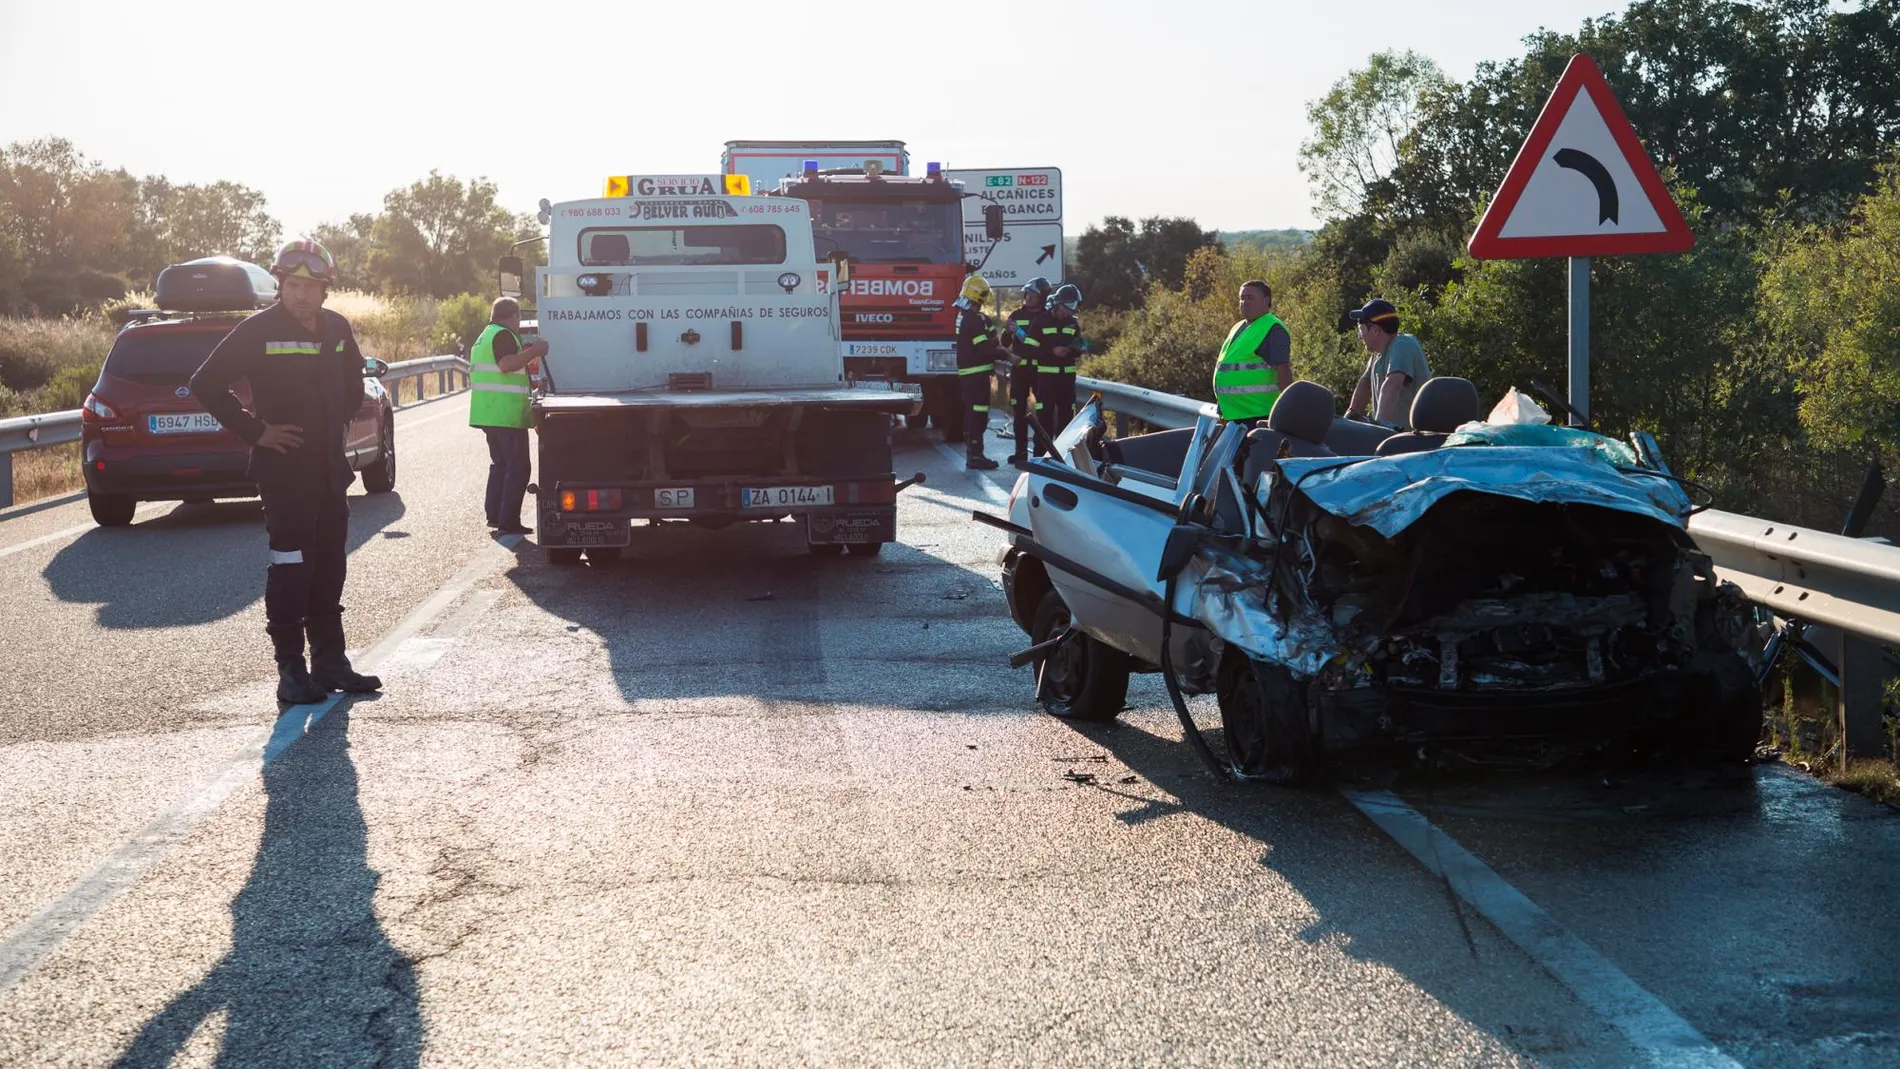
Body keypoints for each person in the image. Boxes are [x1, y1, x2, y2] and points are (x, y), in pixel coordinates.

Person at [189, 240, 381, 705]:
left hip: (331, 472)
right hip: (284, 474)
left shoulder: (337, 328)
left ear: (324, 289)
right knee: (292, 567)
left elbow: (355, 381)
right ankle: (291, 672)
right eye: (293, 285)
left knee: (329, 566)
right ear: (280, 284)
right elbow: (205, 384)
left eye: (310, 286)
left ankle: (330, 662)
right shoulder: (258, 330)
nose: (300, 295)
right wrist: (256, 431)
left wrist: (337, 418)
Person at [468, 297, 547, 534]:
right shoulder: (502, 335)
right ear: (512, 316)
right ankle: (508, 521)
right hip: (505, 414)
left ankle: (495, 515)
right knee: (518, 467)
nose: (519, 322)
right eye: (518, 317)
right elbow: (506, 364)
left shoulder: (484, 336)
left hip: (490, 413)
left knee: (500, 465)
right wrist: (535, 352)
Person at [1212, 279, 1292, 422]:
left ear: (1266, 300)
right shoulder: (1238, 327)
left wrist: (1288, 412)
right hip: (1233, 414)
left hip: (1258, 416)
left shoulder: (1273, 328)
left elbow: (1284, 371)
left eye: (1250, 298)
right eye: (1242, 298)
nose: (1245, 302)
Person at [1345, 298, 1432, 429]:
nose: (1359, 336)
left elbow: (1392, 385)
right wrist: (1348, 419)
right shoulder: (1378, 354)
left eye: (1361, 329)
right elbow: (1366, 385)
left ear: (1375, 330)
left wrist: (1379, 428)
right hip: (1394, 439)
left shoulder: (1403, 344)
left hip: (1414, 441)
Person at [953, 275, 1002, 470]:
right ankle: (975, 455)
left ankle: (974, 454)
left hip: (971, 374)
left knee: (973, 414)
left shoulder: (966, 316)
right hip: (976, 376)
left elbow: (991, 339)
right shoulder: (972, 319)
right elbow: (985, 347)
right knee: (978, 415)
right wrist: (1008, 356)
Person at [1001, 277, 1052, 463]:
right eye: (1027, 294)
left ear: (1042, 297)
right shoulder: (1016, 315)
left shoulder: (1047, 317)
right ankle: (1020, 452)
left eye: (1034, 294)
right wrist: (1008, 332)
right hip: (1020, 372)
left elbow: (1042, 343)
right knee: (1019, 412)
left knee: (1042, 413)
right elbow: (1005, 343)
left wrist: (1020, 333)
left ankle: (1040, 453)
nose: (1029, 297)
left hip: (1040, 372)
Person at [1028, 284, 1087, 436]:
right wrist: (1051, 351)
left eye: (1070, 311)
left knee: (1066, 420)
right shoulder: (1040, 321)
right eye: (1065, 310)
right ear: (1057, 304)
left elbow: (1079, 345)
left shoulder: (1072, 323)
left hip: (1067, 380)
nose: (1066, 314)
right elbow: (1030, 349)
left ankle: (1062, 456)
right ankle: (1041, 456)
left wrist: (1075, 350)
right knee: (1044, 420)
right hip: (1046, 380)